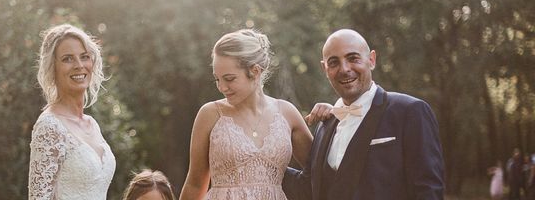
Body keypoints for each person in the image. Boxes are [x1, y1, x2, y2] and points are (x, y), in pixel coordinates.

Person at [283, 28, 445, 200]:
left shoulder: (410, 111)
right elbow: (309, 190)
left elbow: (429, 191)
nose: (344, 69)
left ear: (371, 60)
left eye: (353, 58)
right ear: (325, 69)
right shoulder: (325, 125)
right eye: (334, 62)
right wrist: (263, 159)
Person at [178, 29, 316, 199]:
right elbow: (195, 185)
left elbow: (320, 174)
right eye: (217, 79)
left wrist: (330, 115)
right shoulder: (210, 114)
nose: (221, 87)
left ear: (255, 71)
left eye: (229, 79)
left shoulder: (287, 113)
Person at [28, 24, 116, 200]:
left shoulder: (92, 125)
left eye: (84, 57)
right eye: (68, 59)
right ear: (53, 67)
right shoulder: (50, 126)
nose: (79, 65)